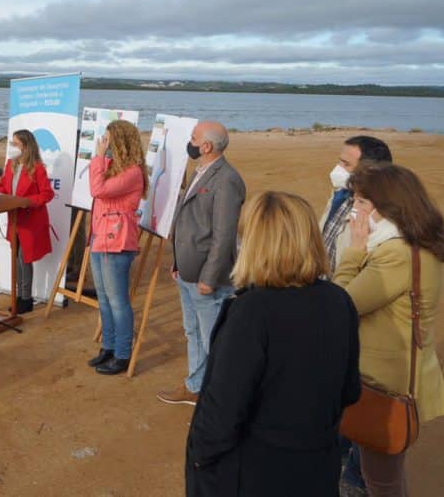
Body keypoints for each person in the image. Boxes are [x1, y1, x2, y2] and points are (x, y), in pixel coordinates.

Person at [185, 191, 361, 497]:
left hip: (256, 474)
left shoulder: (251, 311)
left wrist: (200, 459)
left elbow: (221, 412)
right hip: (317, 467)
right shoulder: (339, 301)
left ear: (255, 244)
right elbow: (349, 390)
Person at [333, 163, 444, 497]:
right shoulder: (411, 243)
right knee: (376, 471)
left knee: (382, 479)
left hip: (383, 385)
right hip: (387, 376)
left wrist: (353, 253)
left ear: (387, 208)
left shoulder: (395, 253)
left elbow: (339, 305)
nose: (352, 211)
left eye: (359, 202)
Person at [318, 135, 391, 496]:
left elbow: (365, 283)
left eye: (345, 164)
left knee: (361, 399)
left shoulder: (384, 220)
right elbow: (324, 241)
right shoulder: (342, 198)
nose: (337, 169)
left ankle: (358, 476)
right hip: (331, 309)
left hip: (356, 320)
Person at [158, 120, 245, 405]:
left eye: (194, 138)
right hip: (187, 271)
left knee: (214, 341)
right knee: (192, 331)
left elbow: (223, 235)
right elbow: (188, 222)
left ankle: (226, 400)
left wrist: (209, 276)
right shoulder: (202, 170)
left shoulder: (227, 179)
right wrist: (178, 263)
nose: (190, 142)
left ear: (206, 146)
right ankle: (196, 386)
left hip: (207, 278)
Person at [86, 120, 147, 375]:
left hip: (117, 242)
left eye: (108, 139)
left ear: (119, 142)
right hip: (100, 239)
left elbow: (97, 189)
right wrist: (102, 160)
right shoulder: (112, 168)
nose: (104, 143)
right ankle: (108, 347)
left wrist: (98, 158)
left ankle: (122, 353)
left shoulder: (132, 172)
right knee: (104, 299)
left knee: (118, 302)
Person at [0, 129, 54, 312]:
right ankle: (19, 296)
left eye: (16, 144)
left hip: (31, 221)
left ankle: (26, 299)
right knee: (16, 257)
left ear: (26, 147)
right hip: (14, 220)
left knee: (24, 259)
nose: (12, 147)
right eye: (11, 144)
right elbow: (3, 186)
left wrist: (28, 202)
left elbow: (47, 194)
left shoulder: (38, 168)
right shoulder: (10, 165)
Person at [321, 135, 393, 271]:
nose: (338, 168)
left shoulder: (378, 215)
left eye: (346, 164)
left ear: (370, 171)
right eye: (340, 161)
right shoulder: (340, 193)